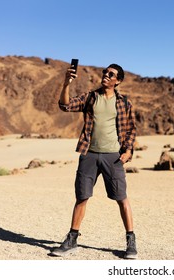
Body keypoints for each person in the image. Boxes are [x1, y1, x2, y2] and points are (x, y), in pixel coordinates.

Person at [50, 63, 137, 259]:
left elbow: (132, 129)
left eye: (111, 74)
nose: (106, 75)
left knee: (122, 198)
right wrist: (66, 83)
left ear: (118, 81)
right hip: (89, 154)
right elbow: (65, 105)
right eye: (105, 72)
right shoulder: (91, 97)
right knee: (82, 197)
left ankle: (131, 241)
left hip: (113, 157)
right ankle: (72, 240)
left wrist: (128, 150)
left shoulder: (124, 103)